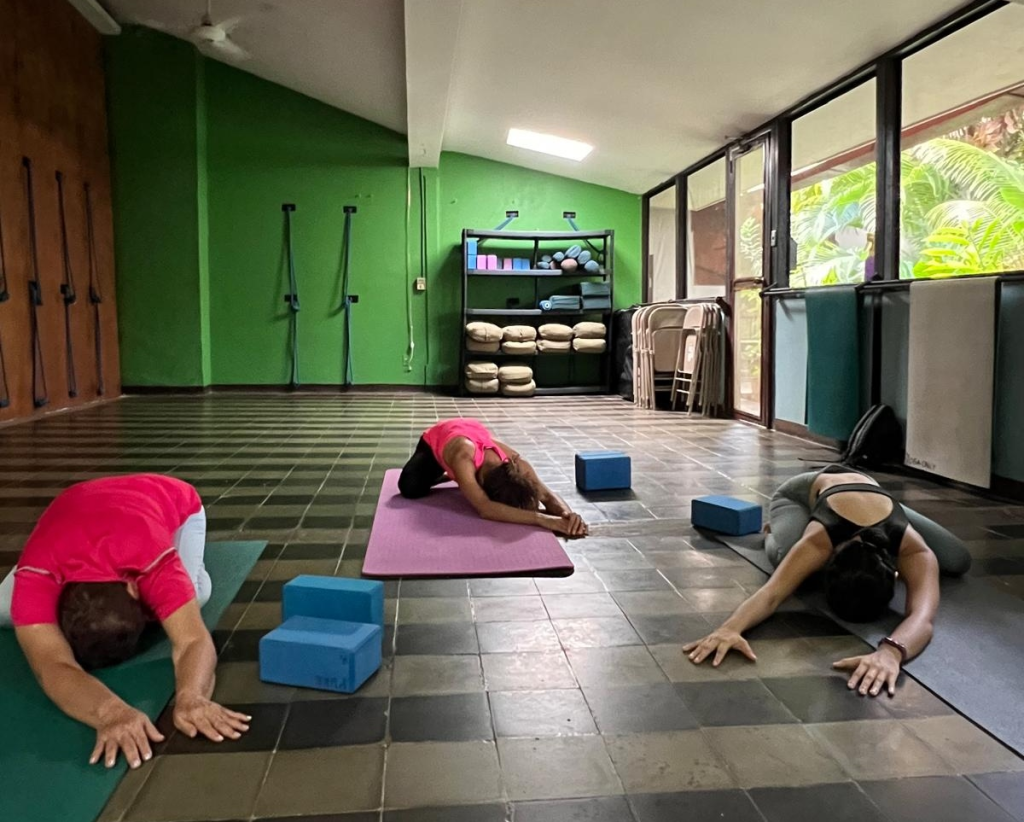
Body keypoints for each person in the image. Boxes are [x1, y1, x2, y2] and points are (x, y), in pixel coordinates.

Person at [0, 474, 249, 769]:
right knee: (7, 612)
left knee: (196, 594)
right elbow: (52, 665)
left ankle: (180, 590)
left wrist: (192, 695)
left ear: (134, 587)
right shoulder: (36, 575)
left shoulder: (153, 561)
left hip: (170, 496)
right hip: (78, 501)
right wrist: (110, 712)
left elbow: (193, 640)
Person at [683, 466, 972, 697]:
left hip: (870, 492)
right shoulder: (820, 540)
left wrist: (891, 652)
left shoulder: (912, 549)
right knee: (784, 556)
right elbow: (772, 594)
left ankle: (800, 536)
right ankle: (774, 530)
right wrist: (729, 628)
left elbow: (923, 618)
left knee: (957, 559)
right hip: (801, 491)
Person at [399, 418, 588, 538]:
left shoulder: (516, 462)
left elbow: (546, 495)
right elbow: (485, 508)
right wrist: (544, 519)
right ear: (482, 484)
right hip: (438, 439)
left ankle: (459, 478)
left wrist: (567, 516)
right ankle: (448, 475)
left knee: (466, 480)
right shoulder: (463, 458)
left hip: (470, 432)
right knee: (410, 487)